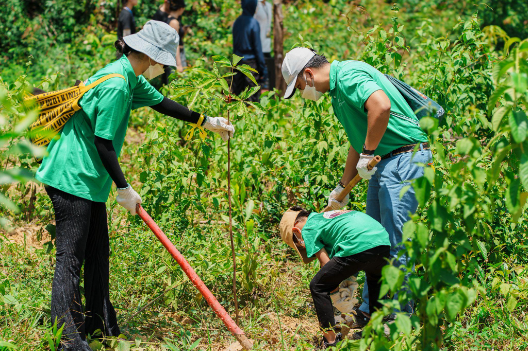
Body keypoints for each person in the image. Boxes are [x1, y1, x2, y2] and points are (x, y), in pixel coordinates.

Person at [35, 21, 234, 351]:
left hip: (89, 180)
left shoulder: (128, 76)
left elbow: (162, 103)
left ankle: (101, 325)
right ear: (152, 55)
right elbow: (103, 141)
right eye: (162, 60)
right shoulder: (116, 85)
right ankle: (68, 341)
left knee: (98, 253)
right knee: (70, 259)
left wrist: (206, 122)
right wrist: (124, 187)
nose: (162, 68)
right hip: (71, 177)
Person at [281, 48, 432, 324]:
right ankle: (370, 311)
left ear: (308, 73)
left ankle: (399, 318)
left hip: (403, 158)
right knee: (372, 243)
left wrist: (368, 151)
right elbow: (357, 139)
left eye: (301, 87)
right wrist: (341, 188)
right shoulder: (337, 95)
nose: (304, 93)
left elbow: (381, 106)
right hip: (383, 163)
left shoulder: (348, 75)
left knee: (395, 243)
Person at [280, 207, 391, 348]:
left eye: (299, 243)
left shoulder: (307, 229)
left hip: (357, 243)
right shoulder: (325, 218)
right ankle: (376, 333)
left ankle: (330, 341)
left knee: (317, 286)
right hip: (382, 241)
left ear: (296, 231)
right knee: (375, 282)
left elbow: (325, 264)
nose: (303, 245)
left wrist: (335, 293)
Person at [232, 0, 268, 102]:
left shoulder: (237, 21)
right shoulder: (253, 23)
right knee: (251, 97)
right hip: (250, 64)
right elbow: (257, 48)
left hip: (237, 62)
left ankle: (235, 117)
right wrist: (262, 69)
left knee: (237, 94)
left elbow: (235, 46)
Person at [153, 0, 187, 85]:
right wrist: (179, 64)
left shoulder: (168, 18)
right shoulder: (174, 22)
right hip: (175, 56)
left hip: (173, 55)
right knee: (177, 82)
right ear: (181, 9)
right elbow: (175, 44)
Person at [254, 0, 274, 90]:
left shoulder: (269, 5)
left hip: (266, 43)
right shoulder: (255, 5)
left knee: (267, 68)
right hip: (258, 43)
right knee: (258, 69)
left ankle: (265, 91)